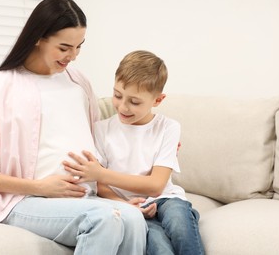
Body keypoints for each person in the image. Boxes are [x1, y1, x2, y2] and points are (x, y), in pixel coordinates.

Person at [0, 0, 147, 254]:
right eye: (64, 47)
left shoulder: (78, 82)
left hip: (84, 198)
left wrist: (152, 137)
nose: (73, 56)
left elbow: (99, 144)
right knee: (102, 219)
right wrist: (40, 187)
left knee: (134, 220)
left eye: (79, 47)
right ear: (39, 38)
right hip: (24, 201)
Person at [63, 50, 205, 255]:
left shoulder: (168, 128)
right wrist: (126, 205)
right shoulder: (102, 130)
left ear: (157, 100)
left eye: (135, 102)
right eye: (117, 95)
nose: (123, 106)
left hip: (166, 199)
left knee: (180, 226)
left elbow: (156, 186)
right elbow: (101, 187)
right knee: (160, 248)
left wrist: (101, 173)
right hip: (129, 206)